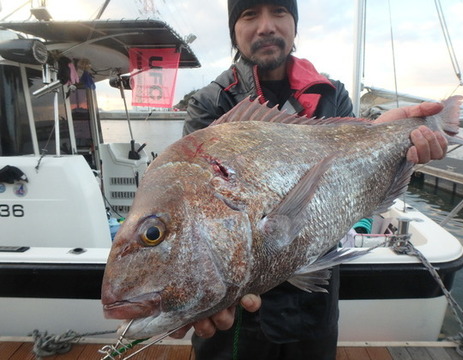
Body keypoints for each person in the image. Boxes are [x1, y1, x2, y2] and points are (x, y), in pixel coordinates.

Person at [173, 0, 448, 359]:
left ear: (295, 24)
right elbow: (194, 205)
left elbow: (356, 174)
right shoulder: (210, 102)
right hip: (238, 312)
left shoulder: (331, 94)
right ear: (233, 30)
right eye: (250, 15)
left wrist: (391, 137)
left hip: (314, 302)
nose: (266, 26)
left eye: (280, 12)